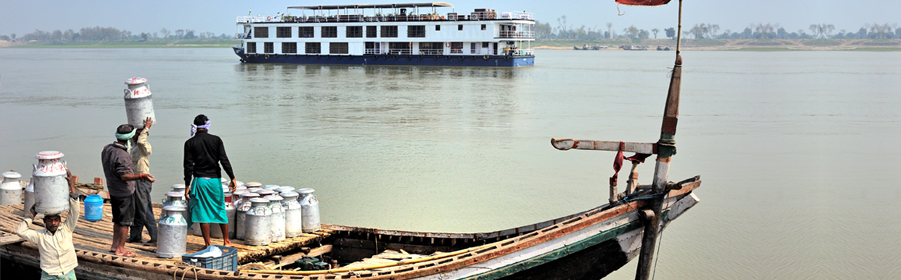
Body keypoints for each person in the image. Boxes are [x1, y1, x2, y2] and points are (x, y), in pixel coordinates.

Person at [101, 124, 156, 257]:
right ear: (130, 137)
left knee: (119, 219)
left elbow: (142, 141)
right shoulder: (123, 154)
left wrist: (144, 129)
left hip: (114, 189)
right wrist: (141, 176)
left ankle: (116, 245)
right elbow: (124, 175)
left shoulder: (108, 149)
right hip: (124, 190)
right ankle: (120, 248)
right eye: (135, 133)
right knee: (125, 221)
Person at [16, 169, 80, 280]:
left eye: (56, 220)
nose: (53, 223)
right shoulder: (40, 236)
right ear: (44, 221)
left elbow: (75, 211)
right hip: (49, 275)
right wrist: (31, 216)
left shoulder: (67, 229)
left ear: (60, 220)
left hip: (68, 272)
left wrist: (71, 185)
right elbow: (21, 232)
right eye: (50, 220)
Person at [184, 114, 236, 248]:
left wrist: (187, 185)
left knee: (203, 213)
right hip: (214, 181)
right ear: (207, 126)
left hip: (200, 181)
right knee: (219, 208)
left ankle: (208, 244)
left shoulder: (190, 143)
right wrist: (232, 177)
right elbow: (224, 160)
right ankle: (226, 240)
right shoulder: (216, 140)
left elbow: (188, 166)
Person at [127, 117, 158, 246]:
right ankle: (135, 236)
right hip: (134, 179)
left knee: (145, 209)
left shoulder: (144, 146)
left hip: (142, 181)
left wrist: (146, 128)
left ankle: (155, 237)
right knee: (134, 209)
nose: (136, 135)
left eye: (139, 133)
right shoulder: (132, 145)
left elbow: (141, 141)